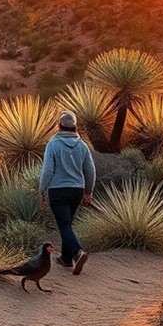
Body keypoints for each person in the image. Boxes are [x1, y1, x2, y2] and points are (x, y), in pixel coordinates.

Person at [39, 111, 96, 275]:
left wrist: (42, 189)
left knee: (64, 225)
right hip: (77, 191)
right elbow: (90, 170)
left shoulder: (53, 144)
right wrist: (88, 191)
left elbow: (47, 170)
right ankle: (66, 259)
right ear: (75, 127)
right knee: (67, 223)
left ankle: (78, 252)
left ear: (59, 126)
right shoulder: (82, 145)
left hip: (58, 190)